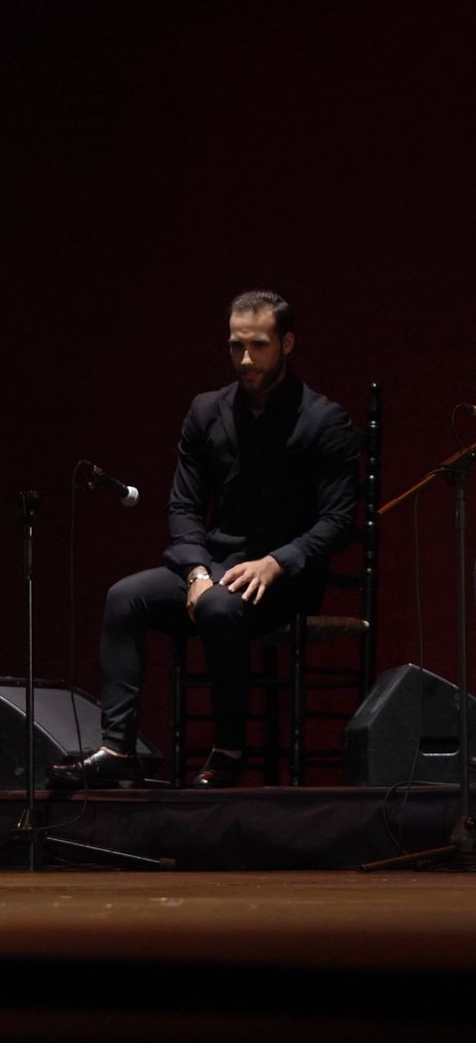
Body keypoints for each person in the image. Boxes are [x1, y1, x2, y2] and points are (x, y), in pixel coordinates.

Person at [49, 290, 357, 790]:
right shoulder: (207, 410)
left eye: (258, 345)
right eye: (236, 345)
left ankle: (228, 749)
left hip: (284, 577)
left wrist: (278, 561)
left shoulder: (323, 419)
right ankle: (118, 747)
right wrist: (195, 571)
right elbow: (184, 507)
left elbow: (338, 519)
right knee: (125, 597)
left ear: (287, 343)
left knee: (217, 609)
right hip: (214, 566)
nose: (246, 359)